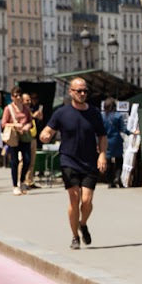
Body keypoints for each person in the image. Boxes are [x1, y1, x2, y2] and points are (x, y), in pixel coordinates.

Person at [40, 77, 107, 250]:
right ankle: (75, 236)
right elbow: (47, 131)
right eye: (79, 91)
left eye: (85, 91)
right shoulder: (61, 113)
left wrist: (102, 155)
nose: (83, 94)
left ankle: (82, 223)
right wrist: (45, 135)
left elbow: (102, 136)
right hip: (68, 159)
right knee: (74, 198)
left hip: (90, 160)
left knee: (87, 200)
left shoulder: (93, 113)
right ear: (71, 92)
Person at [3, 89, 37, 194]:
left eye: (19, 95)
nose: (18, 97)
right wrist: (14, 125)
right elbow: (4, 123)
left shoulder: (25, 108)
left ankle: (22, 181)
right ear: (12, 97)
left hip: (25, 136)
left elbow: (30, 121)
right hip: (14, 136)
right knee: (14, 161)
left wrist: (27, 126)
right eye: (16, 95)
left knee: (27, 159)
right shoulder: (8, 109)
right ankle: (15, 185)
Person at [101, 99, 125, 188]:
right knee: (119, 159)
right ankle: (118, 177)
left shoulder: (103, 117)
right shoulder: (118, 116)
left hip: (106, 140)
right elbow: (123, 128)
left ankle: (110, 181)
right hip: (116, 140)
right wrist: (131, 132)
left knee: (108, 161)